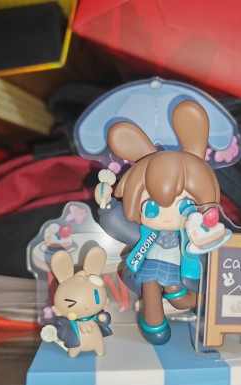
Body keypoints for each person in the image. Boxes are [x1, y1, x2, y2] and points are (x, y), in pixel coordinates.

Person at [96, 100, 223, 345]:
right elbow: (119, 225)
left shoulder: (193, 233)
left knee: (179, 297)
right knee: (150, 287)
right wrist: (106, 205)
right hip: (149, 263)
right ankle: (154, 324)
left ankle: (203, 302)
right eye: (152, 207)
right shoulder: (146, 232)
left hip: (181, 268)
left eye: (183, 205)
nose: (165, 215)